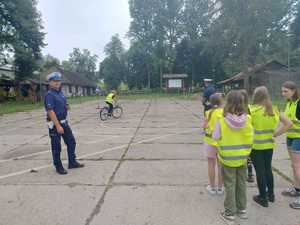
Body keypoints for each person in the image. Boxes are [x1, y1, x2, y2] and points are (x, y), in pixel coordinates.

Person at [213, 90, 253, 222]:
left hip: (227, 158)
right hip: (242, 158)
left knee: (229, 185)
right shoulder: (248, 119)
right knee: (241, 183)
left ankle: (229, 212)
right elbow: (251, 137)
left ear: (228, 103)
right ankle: (242, 210)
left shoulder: (222, 120)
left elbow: (215, 137)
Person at [250, 86, 292, 207]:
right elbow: (289, 123)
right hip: (269, 145)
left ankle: (263, 197)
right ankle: (271, 195)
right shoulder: (274, 109)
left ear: (255, 96)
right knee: (268, 169)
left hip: (256, 146)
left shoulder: (251, 110)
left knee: (260, 171)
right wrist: (276, 133)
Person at [44, 72, 84, 175]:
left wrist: (66, 105)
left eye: (58, 81)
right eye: (54, 81)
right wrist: (57, 126)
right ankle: (58, 166)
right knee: (56, 146)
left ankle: (72, 162)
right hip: (54, 124)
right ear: (50, 83)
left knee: (71, 142)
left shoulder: (60, 93)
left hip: (64, 122)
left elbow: (64, 102)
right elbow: (50, 111)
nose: (57, 83)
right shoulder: (49, 95)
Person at [281, 81, 300, 209]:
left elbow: (291, 122)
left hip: (298, 138)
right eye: (282, 91)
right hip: (290, 137)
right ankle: (297, 189)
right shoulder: (288, 103)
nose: (283, 94)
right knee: (294, 166)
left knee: (298, 167)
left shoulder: (299, 104)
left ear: (293, 91)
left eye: (285, 91)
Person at [203, 93, 224, 195]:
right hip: (221, 142)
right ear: (221, 102)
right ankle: (220, 188)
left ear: (210, 102)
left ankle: (212, 187)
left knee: (211, 164)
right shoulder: (225, 112)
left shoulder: (208, 113)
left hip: (210, 141)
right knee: (221, 165)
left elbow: (204, 126)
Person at [240, 89, 255, 183]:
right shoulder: (250, 108)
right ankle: (250, 174)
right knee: (248, 156)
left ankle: (245, 174)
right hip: (249, 135)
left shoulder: (238, 108)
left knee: (244, 156)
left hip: (242, 135)